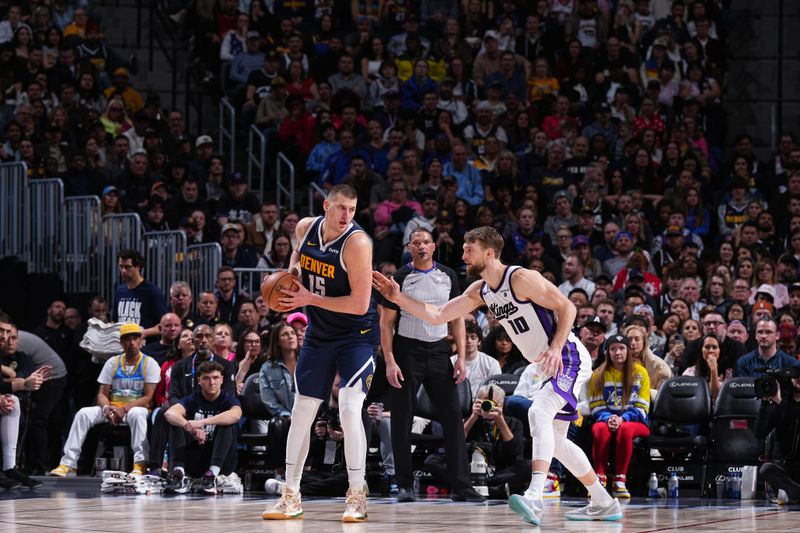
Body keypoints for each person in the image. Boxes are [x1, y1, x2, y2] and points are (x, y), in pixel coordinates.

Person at [373, 226, 622, 525]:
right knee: (555, 441)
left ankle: (534, 496)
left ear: (489, 253)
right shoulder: (481, 290)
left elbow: (567, 307)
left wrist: (556, 347)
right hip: (547, 364)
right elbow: (439, 315)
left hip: (566, 355)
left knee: (538, 412)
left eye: (470, 249)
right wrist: (398, 298)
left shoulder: (520, 278)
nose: (463, 254)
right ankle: (603, 501)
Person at [262, 184, 377, 523]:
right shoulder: (305, 228)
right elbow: (297, 257)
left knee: (349, 406)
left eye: (352, 210)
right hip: (319, 335)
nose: (346, 216)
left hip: (356, 335)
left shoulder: (357, 244)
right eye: (340, 208)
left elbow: (359, 305)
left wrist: (309, 299)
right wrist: (294, 273)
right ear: (326, 205)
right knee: (302, 411)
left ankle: (357, 494)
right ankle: (291, 495)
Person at [378, 227, 482, 503]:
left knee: (452, 418)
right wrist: (389, 360)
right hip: (406, 350)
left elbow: (457, 317)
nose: (422, 246)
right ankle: (404, 485)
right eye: (416, 243)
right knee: (401, 419)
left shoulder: (448, 276)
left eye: (426, 242)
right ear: (409, 248)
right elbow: (386, 323)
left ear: (434, 246)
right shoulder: (399, 277)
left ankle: (462, 486)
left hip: (439, 351)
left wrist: (460, 355)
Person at [49, 323, 160, 477]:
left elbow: (147, 398)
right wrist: (107, 409)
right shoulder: (112, 362)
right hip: (113, 409)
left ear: (141, 341)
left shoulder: (150, 363)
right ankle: (68, 464)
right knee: (83, 413)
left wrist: (124, 409)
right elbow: (101, 394)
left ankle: (140, 463)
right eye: (127, 339)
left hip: (134, 409)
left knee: (138, 413)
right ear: (121, 343)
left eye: (135, 338)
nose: (132, 343)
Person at [163, 360, 242, 494]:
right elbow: (169, 413)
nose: (212, 382)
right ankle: (179, 474)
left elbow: (236, 415)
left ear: (222, 380)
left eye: (216, 378)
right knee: (176, 423)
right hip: (196, 458)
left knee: (228, 424)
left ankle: (211, 476)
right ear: (199, 380)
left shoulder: (228, 399)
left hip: (222, 461)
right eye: (206, 378)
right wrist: (189, 427)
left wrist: (202, 422)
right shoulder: (193, 399)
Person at [588, 334, 650, 498]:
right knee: (600, 429)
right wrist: (608, 418)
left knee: (625, 429)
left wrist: (623, 418)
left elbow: (643, 406)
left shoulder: (641, 373)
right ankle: (599, 479)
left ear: (628, 351)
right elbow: (595, 405)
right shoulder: (598, 374)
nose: (617, 352)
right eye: (613, 349)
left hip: (635, 421)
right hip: (606, 419)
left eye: (621, 348)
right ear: (607, 352)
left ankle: (619, 481)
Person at [258, 321, 299, 476]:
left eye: (292, 333)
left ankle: (306, 473)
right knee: (277, 424)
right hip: (284, 415)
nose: (291, 337)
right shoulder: (268, 368)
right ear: (277, 341)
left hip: (306, 412)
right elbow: (268, 398)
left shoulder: (307, 362)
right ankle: (281, 474)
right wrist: (287, 414)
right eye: (285, 334)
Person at [756, 370, 800, 504]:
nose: (798, 380)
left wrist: (780, 401)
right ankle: (796, 491)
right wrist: (764, 403)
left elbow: (797, 417)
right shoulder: (778, 405)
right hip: (785, 466)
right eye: (796, 377)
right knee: (766, 469)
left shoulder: (781, 403)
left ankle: (794, 492)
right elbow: (759, 432)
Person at [113, 249, 168, 339]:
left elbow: (165, 324)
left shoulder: (152, 291)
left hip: (145, 346)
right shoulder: (120, 291)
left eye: (127, 267)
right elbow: (115, 320)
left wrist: (145, 333)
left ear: (138, 267)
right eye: (120, 266)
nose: (123, 271)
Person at [735, 318, 800, 377]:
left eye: (768, 332)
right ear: (756, 335)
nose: (764, 336)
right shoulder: (744, 362)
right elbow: (740, 389)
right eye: (760, 332)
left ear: (777, 335)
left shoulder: (790, 363)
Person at [457, 321, 501, 396]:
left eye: (473, 337)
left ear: (479, 341)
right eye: (465, 337)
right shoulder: (451, 362)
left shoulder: (492, 363)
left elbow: (497, 391)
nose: (469, 341)